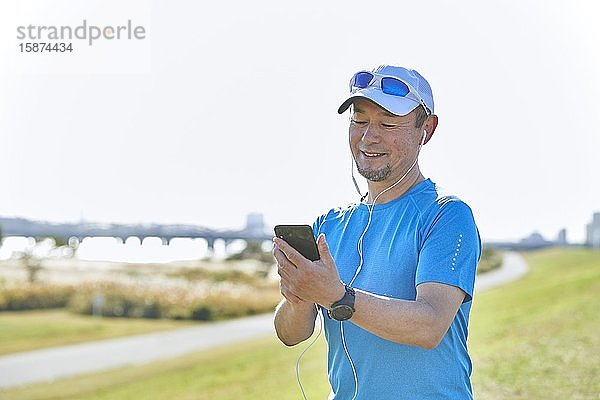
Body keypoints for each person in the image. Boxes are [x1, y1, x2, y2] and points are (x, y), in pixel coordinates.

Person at [273, 65, 481, 400]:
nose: (370, 136)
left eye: (387, 123)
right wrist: (298, 296)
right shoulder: (329, 226)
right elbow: (289, 334)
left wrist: (337, 297)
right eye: (360, 120)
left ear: (426, 129)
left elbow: (429, 325)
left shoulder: (447, 215)